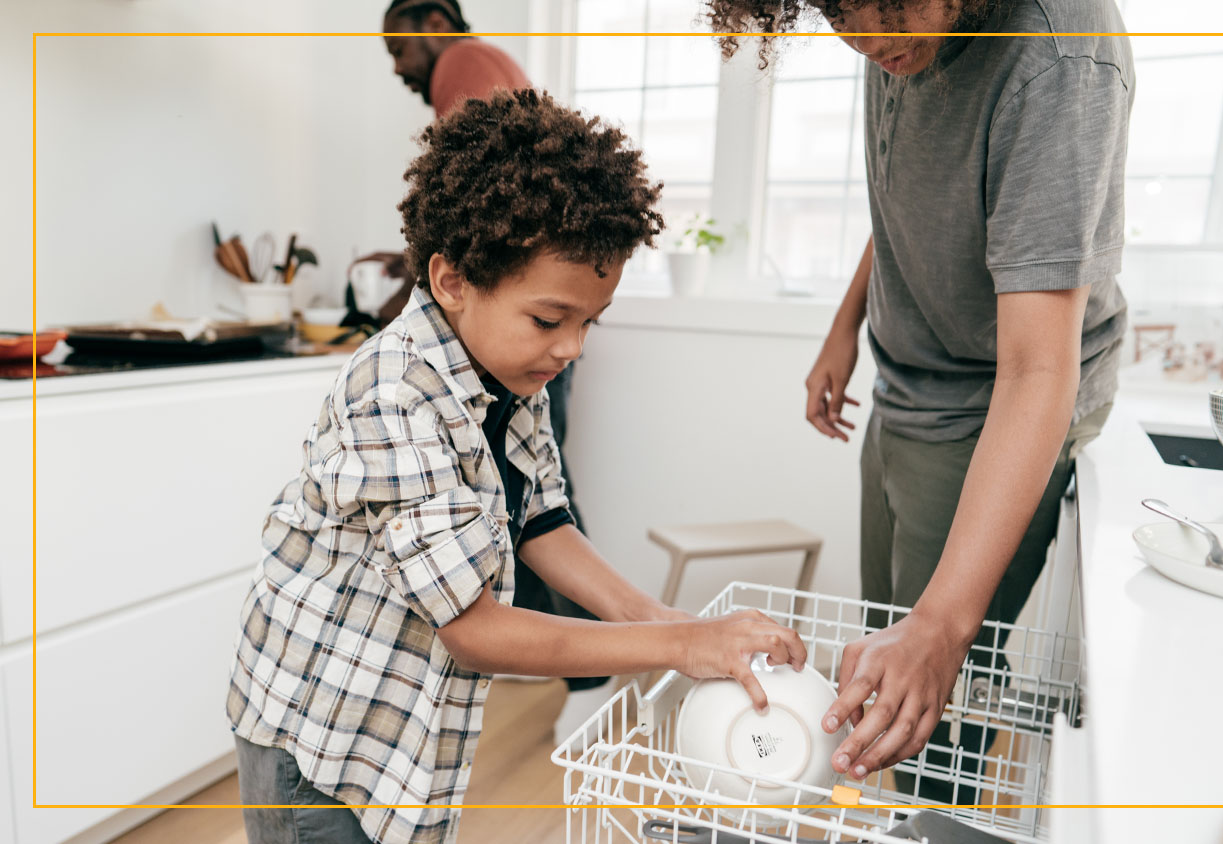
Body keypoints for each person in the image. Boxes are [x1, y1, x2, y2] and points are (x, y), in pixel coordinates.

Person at [226, 90, 808, 844]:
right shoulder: (395, 393)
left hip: (397, 729)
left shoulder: (507, 371)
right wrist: (679, 646)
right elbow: (475, 630)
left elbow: (539, 518)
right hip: (319, 742)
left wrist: (659, 618)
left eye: (587, 322)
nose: (572, 348)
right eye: (549, 319)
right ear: (453, 281)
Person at [708, 0, 1132, 804]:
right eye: (837, 11)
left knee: (935, 688)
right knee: (888, 646)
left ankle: (929, 818)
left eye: (892, 3)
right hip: (907, 383)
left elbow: (1039, 372)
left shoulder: (1057, 59)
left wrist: (943, 628)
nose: (869, 38)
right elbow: (918, 192)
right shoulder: (903, 31)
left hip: (997, 405)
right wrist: (846, 324)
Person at [376, 0, 613, 740]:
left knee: (529, 493)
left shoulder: (462, 65)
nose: (396, 67)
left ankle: (586, 675)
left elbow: (482, 212)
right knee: (513, 491)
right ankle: (573, 661)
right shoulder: (397, 393)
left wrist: (647, 634)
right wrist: (665, 635)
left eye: (398, 48)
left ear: (430, 24)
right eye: (551, 323)